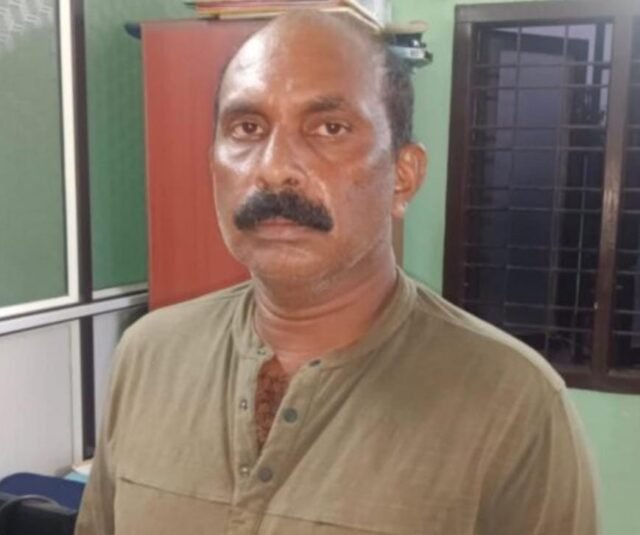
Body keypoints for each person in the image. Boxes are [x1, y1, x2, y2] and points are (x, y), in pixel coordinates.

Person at [75, 10, 599, 535]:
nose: (274, 167)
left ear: (403, 176)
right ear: (214, 165)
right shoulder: (147, 355)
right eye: (248, 128)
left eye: (329, 128)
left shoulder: (514, 404)